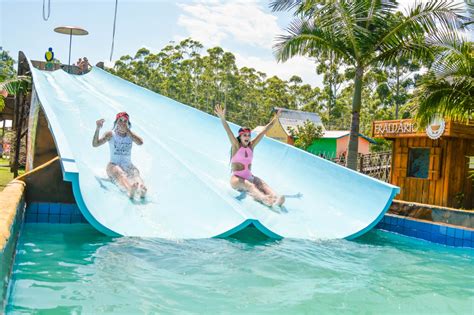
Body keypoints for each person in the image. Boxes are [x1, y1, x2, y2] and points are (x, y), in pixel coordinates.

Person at [215, 104, 285, 207]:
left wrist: (276, 118)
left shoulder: (251, 146)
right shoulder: (236, 146)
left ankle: (276, 198)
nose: (247, 137)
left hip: (249, 176)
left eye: (249, 135)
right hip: (236, 179)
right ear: (240, 137)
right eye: (245, 135)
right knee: (250, 185)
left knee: (262, 183)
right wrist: (222, 118)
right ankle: (265, 200)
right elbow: (228, 131)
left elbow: (264, 131)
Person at [92, 112, 147, 199]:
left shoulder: (130, 135)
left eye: (125, 121)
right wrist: (98, 128)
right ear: (116, 122)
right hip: (113, 165)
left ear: (128, 124)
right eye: (120, 120)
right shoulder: (110, 134)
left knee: (135, 172)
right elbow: (95, 144)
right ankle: (130, 190)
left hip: (127, 164)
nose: (122, 123)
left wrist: (128, 132)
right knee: (119, 172)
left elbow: (140, 142)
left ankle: (142, 188)